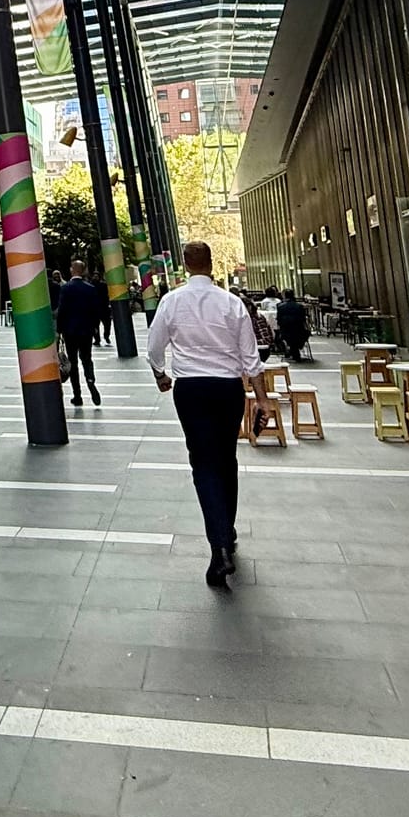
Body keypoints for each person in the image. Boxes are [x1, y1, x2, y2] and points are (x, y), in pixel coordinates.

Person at [147, 240, 276, 591]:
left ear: (186, 264)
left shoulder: (171, 301)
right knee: (226, 459)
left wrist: (161, 374)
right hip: (227, 389)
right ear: (211, 263)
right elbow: (251, 358)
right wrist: (262, 400)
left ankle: (218, 546)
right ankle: (227, 531)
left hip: (191, 389)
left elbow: (154, 346)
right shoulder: (232, 303)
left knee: (203, 464)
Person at [53, 260, 105, 407]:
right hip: (86, 331)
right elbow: (96, 310)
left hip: (70, 331)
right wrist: (95, 328)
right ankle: (90, 380)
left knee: (73, 362)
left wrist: (59, 330)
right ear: (83, 271)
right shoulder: (90, 288)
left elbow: (62, 310)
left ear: (72, 270)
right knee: (87, 359)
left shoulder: (66, 288)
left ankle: (77, 395)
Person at [275, 289, 311, 361]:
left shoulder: (280, 306)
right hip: (299, 332)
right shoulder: (299, 306)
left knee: (280, 336)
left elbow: (279, 320)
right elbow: (303, 319)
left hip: (285, 332)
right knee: (299, 335)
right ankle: (296, 348)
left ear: (284, 296)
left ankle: (290, 350)